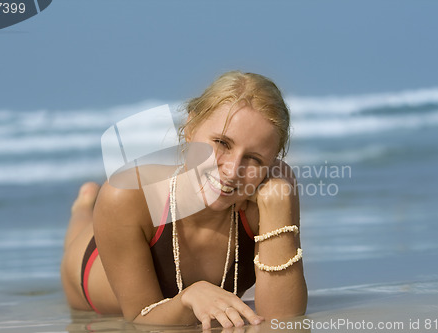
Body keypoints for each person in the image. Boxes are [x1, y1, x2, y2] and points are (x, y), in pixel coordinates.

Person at [60, 71, 307, 329]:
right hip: (90, 269)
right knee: (79, 233)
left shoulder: (275, 189)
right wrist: (188, 297)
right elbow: (137, 321)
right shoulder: (126, 194)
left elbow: (283, 318)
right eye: (222, 143)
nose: (233, 171)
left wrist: (278, 209)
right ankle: (83, 206)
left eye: (254, 159)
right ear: (189, 128)